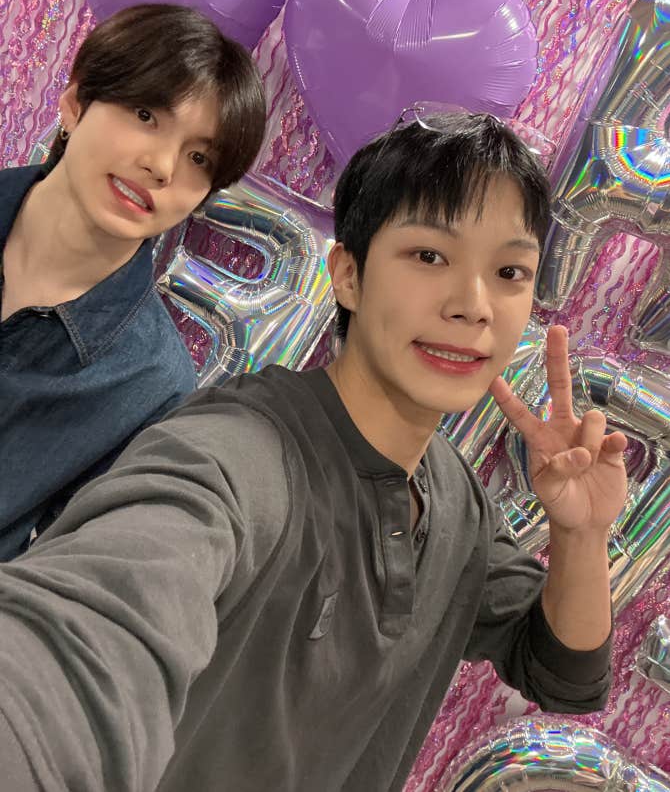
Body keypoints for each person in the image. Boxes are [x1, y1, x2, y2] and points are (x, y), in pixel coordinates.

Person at [0, 111, 627, 791]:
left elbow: (565, 673)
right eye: (429, 256)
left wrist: (581, 534)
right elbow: (92, 631)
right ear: (349, 275)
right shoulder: (235, 456)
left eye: (509, 270)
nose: (474, 305)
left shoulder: (457, 500)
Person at [0, 3, 266, 559]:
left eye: (199, 158)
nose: (163, 167)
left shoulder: (151, 382)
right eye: (146, 115)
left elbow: (64, 569)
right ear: (75, 103)